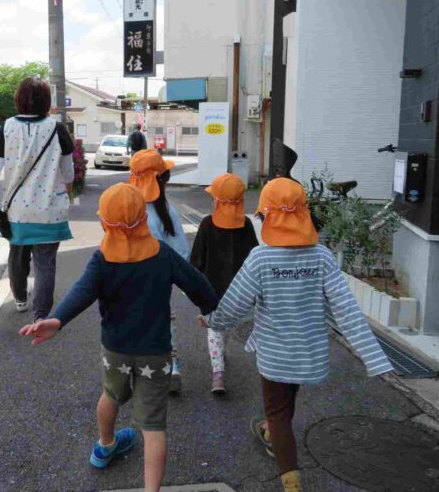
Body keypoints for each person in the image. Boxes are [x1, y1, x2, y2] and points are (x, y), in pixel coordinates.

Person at [198, 178, 393, 492]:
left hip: (275, 356)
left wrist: (211, 320)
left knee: (277, 413)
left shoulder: (261, 260)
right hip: (309, 356)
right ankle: (268, 431)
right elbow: (347, 311)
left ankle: (291, 482)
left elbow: (233, 306)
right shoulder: (322, 257)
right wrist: (376, 359)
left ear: (267, 217)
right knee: (285, 403)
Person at [19, 183, 217, 492]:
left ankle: (105, 445)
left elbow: (82, 291)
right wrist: (211, 310)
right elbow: (198, 286)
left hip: (116, 351)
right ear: (142, 217)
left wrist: (58, 319)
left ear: (104, 222)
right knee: (153, 426)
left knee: (111, 395)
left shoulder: (102, 258)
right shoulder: (161, 254)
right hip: (156, 352)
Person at [0, 77, 75, 322]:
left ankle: (20, 298)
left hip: (18, 210)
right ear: (46, 102)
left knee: (17, 256)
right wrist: (67, 193)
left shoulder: (7, 127)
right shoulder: (57, 128)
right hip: (50, 210)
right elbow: (69, 172)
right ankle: (41, 316)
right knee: (46, 264)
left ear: (19, 99)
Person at [189, 173, 258, 395]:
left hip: (211, 290)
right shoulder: (245, 224)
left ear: (217, 201)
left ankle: (218, 374)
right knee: (222, 326)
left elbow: (196, 260)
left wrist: (193, 287)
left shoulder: (208, 224)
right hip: (239, 292)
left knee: (215, 328)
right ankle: (219, 358)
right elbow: (254, 257)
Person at [129, 149, 189, 393]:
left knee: (132, 320)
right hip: (159, 279)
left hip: (127, 279)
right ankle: (172, 366)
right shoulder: (168, 213)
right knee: (164, 319)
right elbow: (181, 252)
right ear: (162, 180)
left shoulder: (126, 208)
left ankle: (132, 368)